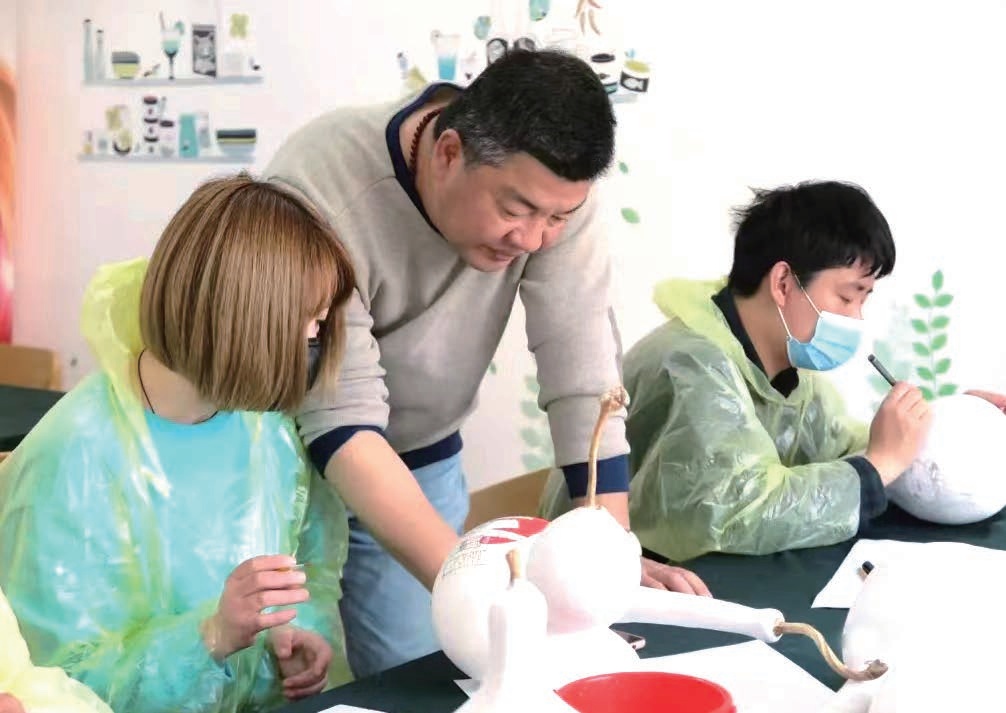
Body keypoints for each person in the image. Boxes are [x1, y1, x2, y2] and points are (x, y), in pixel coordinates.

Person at [265, 48, 709, 678]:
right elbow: (340, 415)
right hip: (289, 467)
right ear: (448, 153)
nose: (531, 238)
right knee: (278, 673)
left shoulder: (554, 199)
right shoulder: (324, 188)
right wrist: (474, 585)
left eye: (556, 218)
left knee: (434, 668)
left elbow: (583, 369)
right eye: (514, 211)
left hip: (419, 455)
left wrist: (608, 553)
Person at [0, 175, 356, 712]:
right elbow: (59, 685)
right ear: (245, 321)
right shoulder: (73, 460)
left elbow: (308, 564)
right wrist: (210, 636)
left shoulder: (267, 433)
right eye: (309, 319)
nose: (313, 337)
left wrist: (290, 637)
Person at [550, 179, 1002, 563]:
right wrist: (881, 464)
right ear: (783, 283)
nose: (857, 318)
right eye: (848, 297)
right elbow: (736, 509)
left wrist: (938, 430)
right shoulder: (693, 366)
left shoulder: (790, 371)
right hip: (605, 578)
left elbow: (838, 450)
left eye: (863, 299)